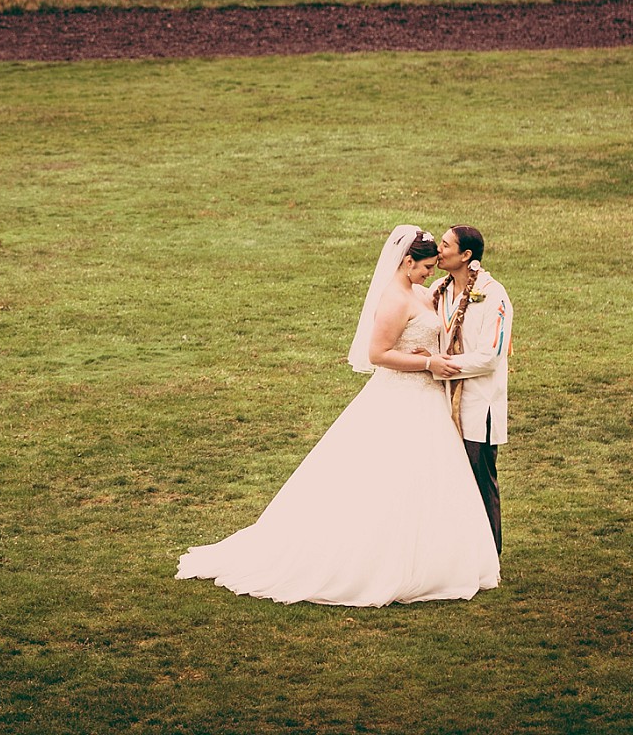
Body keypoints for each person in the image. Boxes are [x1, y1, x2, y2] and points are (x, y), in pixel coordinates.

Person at [175, 226, 500, 606]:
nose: (432, 273)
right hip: (402, 398)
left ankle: (436, 558)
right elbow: (377, 354)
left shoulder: (421, 292)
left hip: (427, 401)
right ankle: (380, 560)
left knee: (428, 478)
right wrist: (428, 362)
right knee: (390, 480)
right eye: (426, 266)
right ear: (407, 261)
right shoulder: (395, 299)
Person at [424, 225, 512, 561]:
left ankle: (490, 553)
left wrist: (448, 366)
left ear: (466, 256)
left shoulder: (494, 295)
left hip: (478, 404)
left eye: (445, 246)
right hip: (440, 401)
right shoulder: (439, 290)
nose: (438, 249)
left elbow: (491, 356)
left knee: (480, 479)